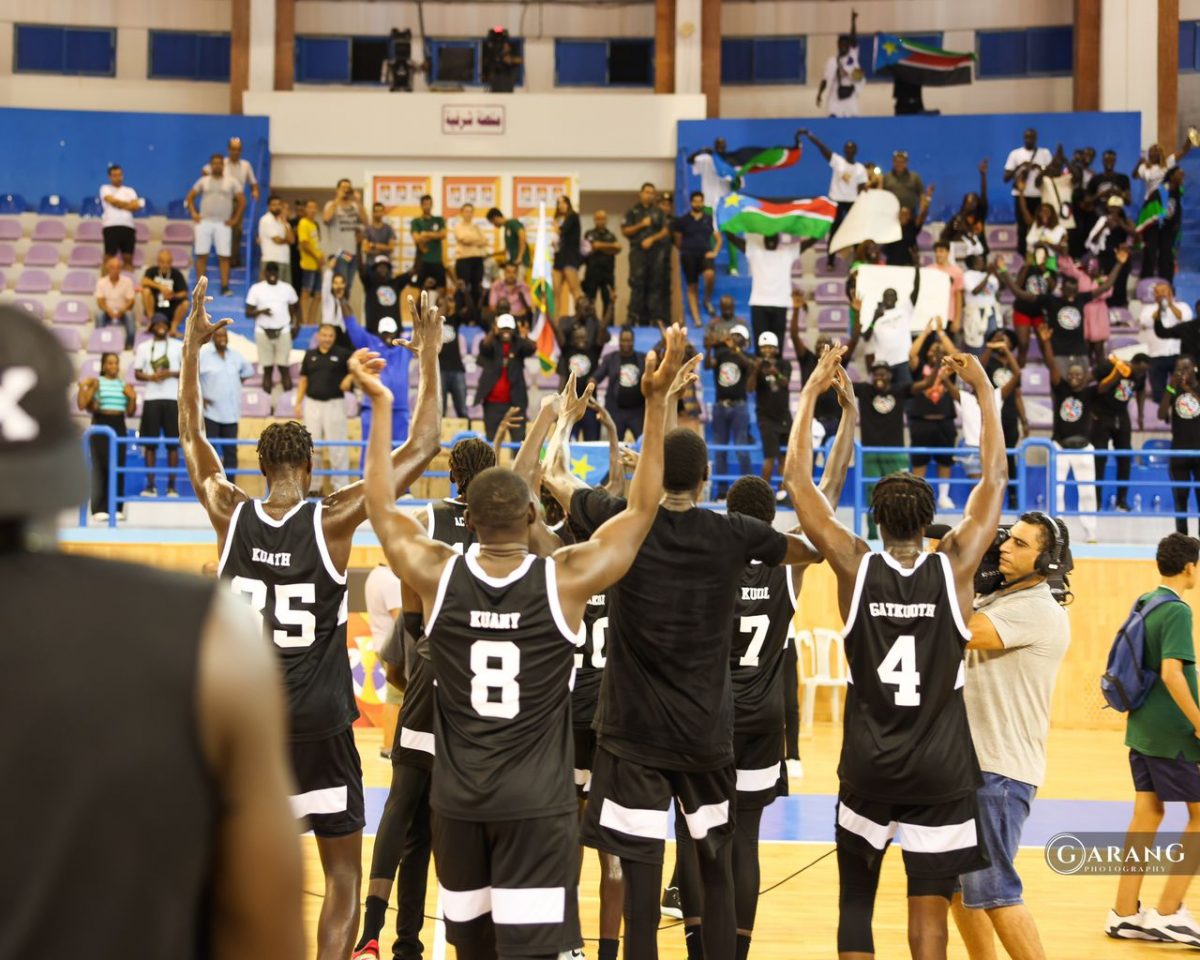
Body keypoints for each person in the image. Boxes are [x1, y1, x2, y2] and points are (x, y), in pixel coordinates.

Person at [361, 324, 686, 960]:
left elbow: (379, 505)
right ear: (534, 518)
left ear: (467, 522)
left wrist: (380, 404)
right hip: (537, 806)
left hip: (458, 803)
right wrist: (653, 403)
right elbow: (643, 510)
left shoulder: (435, 572)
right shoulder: (565, 580)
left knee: (471, 950)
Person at [0, 306, 304, 959]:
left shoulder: (224, 552)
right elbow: (267, 937)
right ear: (64, 469)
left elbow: (193, 435)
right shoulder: (212, 635)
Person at [180, 279, 447, 960]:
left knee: (228, 867)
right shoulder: (331, 521)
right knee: (341, 876)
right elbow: (422, 447)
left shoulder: (228, 510)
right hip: (322, 722)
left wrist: (189, 347)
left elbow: (192, 436)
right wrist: (429, 351)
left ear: (264, 466)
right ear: (304, 464)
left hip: (247, 724)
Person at [544, 353, 823, 960]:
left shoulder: (621, 524)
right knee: (715, 869)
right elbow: (810, 550)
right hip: (705, 736)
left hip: (633, 739)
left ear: (650, 473)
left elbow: (553, 479)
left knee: (642, 882)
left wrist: (561, 423)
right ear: (705, 481)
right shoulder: (734, 534)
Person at [785, 343, 1006, 960]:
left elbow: (799, 484)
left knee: (855, 903)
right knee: (928, 913)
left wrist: (810, 395)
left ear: (876, 522)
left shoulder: (855, 566)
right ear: (931, 521)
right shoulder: (955, 568)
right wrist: (983, 389)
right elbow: (993, 479)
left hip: (869, 764)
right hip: (941, 769)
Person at [353, 437, 497, 960]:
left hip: (433, 674)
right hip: (486, 690)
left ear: (453, 475)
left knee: (404, 812)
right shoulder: (506, 524)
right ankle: (482, 936)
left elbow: (411, 611)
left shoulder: (428, 520)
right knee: (477, 819)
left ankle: (382, 934)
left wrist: (416, 656)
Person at [721, 415, 855, 959]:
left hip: (709, 718)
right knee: (746, 842)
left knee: (702, 837)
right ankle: (739, 950)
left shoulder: (709, 559)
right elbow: (827, 495)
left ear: (729, 517)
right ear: (769, 521)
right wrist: (846, 418)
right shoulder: (788, 565)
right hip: (761, 720)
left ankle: (699, 943)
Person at [950, 514, 1071, 960]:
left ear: (1048, 559)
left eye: (1019, 544)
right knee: (959, 889)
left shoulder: (1036, 609)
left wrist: (955, 566)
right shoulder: (999, 598)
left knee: (996, 889)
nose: (1004, 547)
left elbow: (960, 632)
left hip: (999, 773)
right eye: (1006, 538)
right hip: (971, 767)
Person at [1107, 533, 1200, 945]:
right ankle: (1168, 913)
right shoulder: (1178, 610)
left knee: (1148, 813)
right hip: (1172, 735)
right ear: (1190, 567)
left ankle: (1124, 913)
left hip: (1142, 730)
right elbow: (1171, 673)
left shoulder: (1146, 601)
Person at [1001, 249, 1127, 375]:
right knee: (1059, 387)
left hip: (1079, 352)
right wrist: (1004, 271)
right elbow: (1019, 293)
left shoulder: (1081, 299)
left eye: (1074, 292)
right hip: (1059, 354)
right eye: (1068, 291)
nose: (1071, 296)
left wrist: (1119, 264)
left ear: (1077, 290)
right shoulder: (1051, 301)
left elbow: (1106, 286)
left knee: (1080, 386)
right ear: (1061, 289)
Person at [1037, 326, 1099, 542]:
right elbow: (1052, 364)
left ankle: (1090, 531)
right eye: (1071, 374)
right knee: (1056, 492)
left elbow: (1108, 377)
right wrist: (1046, 342)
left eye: (1078, 375)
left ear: (1084, 377)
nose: (1073, 378)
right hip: (1060, 447)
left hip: (1084, 448)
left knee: (1088, 492)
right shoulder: (1060, 388)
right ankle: (1056, 533)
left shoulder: (1090, 392)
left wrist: (1118, 366)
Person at [908, 319, 960, 510]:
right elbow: (912, 353)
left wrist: (941, 333)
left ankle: (944, 496)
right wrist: (925, 333)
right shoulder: (919, 367)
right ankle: (917, 495)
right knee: (919, 461)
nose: (935, 353)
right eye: (932, 350)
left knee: (945, 460)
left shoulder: (949, 370)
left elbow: (956, 354)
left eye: (939, 351)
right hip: (921, 421)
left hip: (945, 421)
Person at [854, 362, 910, 540]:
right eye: (876, 374)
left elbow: (922, 386)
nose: (879, 377)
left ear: (890, 376)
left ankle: (899, 533)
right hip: (869, 452)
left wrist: (938, 372)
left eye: (883, 374)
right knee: (872, 493)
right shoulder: (864, 390)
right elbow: (841, 383)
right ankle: (872, 534)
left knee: (898, 492)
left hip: (895, 451)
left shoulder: (899, 390)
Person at [78, 351, 136, 521]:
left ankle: (116, 508)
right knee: (100, 466)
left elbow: (130, 413)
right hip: (101, 423)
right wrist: (86, 387)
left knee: (118, 465)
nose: (113, 366)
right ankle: (99, 509)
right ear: (103, 366)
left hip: (119, 424)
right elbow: (82, 405)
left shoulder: (123, 384)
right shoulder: (98, 383)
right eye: (109, 363)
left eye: (116, 363)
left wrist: (132, 398)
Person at [297, 323, 353, 495]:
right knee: (312, 447)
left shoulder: (343, 354)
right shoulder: (310, 355)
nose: (327, 338)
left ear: (334, 337)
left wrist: (349, 377)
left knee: (338, 447)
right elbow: (304, 380)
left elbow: (357, 366)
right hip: (312, 403)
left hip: (334, 404)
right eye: (324, 335)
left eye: (330, 335)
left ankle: (340, 487)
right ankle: (314, 487)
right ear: (318, 336)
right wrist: (298, 403)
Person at [345, 311, 413, 448]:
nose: (388, 336)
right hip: (372, 407)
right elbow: (352, 326)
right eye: (385, 333)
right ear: (379, 333)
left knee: (399, 450)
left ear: (396, 333)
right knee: (370, 449)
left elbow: (422, 330)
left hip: (399, 409)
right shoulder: (369, 343)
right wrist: (341, 300)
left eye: (391, 333)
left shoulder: (405, 347)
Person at [849, 262, 921, 389]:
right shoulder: (875, 315)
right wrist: (875, 318)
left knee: (907, 394)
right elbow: (865, 337)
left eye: (892, 295)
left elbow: (915, 291)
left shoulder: (904, 310)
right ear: (882, 298)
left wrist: (916, 268)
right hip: (883, 364)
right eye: (886, 295)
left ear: (897, 299)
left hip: (903, 360)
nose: (889, 297)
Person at [706, 323, 758, 498]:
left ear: (744, 341)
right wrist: (707, 349)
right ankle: (721, 492)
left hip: (739, 407)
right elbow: (707, 365)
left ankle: (749, 491)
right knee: (720, 450)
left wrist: (736, 350)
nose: (734, 338)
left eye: (738, 337)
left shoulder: (746, 357)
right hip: (720, 406)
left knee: (741, 449)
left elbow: (751, 367)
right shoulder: (721, 355)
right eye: (733, 335)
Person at [134, 314, 183, 498]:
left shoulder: (178, 346)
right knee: (150, 445)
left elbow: (187, 370)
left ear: (168, 326)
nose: (161, 326)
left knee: (173, 445)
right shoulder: (143, 347)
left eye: (164, 323)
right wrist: (151, 377)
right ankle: (150, 486)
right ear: (152, 327)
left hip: (172, 399)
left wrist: (170, 373)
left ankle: (172, 487)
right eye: (157, 324)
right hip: (151, 399)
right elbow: (138, 373)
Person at [802, 130, 868, 268]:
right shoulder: (838, 161)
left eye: (852, 149)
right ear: (844, 150)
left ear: (855, 151)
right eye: (847, 148)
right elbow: (822, 148)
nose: (849, 151)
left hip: (852, 202)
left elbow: (862, 187)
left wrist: (863, 201)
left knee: (854, 231)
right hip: (836, 201)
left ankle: (857, 260)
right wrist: (811, 136)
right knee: (834, 231)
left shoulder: (860, 168)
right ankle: (830, 261)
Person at [1092, 353, 1148, 512]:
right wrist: (1116, 374)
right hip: (1102, 414)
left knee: (1125, 456)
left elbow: (1142, 391)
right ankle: (1097, 500)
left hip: (1122, 415)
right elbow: (1098, 388)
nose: (1140, 374)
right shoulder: (1112, 367)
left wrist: (1141, 414)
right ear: (1133, 363)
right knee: (1099, 458)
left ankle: (1121, 500)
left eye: (1144, 372)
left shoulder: (1141, 375)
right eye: (1139, 370)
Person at [198, 325, 254, 477]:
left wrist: (237, 381)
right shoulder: (204, 356)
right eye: (219, 336)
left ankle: (231, 486)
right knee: (211, 451)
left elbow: (249, 370)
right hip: (211, 413)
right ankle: (214, 483)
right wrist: (201, 397)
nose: (222, 339)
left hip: (231, 412)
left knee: (231, 450)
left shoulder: (235, 355)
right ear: (212, 338)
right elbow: (192, 378)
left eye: (224, 336)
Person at [727, 232, 801, 346]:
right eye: (768, 237)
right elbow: (732, 238)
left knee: (777, 345)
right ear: (764, 239)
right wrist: (723, 225)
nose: (771, 240)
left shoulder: (788, 253)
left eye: (773, 237)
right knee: (760, 345)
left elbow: (811, 241)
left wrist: (824, 225)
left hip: (781, 304)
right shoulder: (755, 252)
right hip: (759, 303)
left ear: (778, 240)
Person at [185, 154, 244, 296]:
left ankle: (225, 286)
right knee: (201, 255)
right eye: (214, 163)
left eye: (219, 163)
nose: (217, 166)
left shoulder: (232, 182)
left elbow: (242, 201)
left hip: (223, 223)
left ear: (223, 165)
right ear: (210, 166)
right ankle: (200, 289)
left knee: (224, 256)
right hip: (204, 222)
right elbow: (190, 197)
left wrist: (235, 219)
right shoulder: (203, 181)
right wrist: (193, 213)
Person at [1134, 140, 1192, 280]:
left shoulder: (1167, 164)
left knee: (1166, 252)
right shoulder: (1144, 167)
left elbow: (1183, 151)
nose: (1153, 152)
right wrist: (1139, 163)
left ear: (1161, 152)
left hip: (1168, 203)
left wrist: (1189, 140)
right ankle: (1146, 282)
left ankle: (1166, 283)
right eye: (1151, 151)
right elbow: (1135, 175)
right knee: (1151, 251)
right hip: (1152, 206)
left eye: (1156, 150)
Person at [363, 561, 403, 758]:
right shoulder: (391, 581)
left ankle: (389, 745)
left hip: (381, 643)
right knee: (396, 698)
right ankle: (389, 746)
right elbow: (400, 620)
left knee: (394, 697)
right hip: (393, 647)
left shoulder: (375, 574)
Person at [477, 313, 536, 441]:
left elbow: (531, 349)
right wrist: (493, 332)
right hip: (492, 404)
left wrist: (524, 336)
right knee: (491, 440)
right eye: (503, 328)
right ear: (498, 329)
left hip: (515, 403)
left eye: (508, 328)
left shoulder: (518, 344)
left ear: (513, 329)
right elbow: (484, 347)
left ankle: (516, 462)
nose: (506, 332)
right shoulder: (491, 343)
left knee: (519, 440)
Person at [204, 137, 259, 268]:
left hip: (238, 200)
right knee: (220, 229)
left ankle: (233, 259)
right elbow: (205, 171)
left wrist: (255, 191)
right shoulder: (221, 162)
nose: (236, 152)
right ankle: (222, 258)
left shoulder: (246, 165)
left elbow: (254, 183)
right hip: (223, 199)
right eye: (233, 149)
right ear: (229, 150)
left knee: (237, 230)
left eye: (238, 149)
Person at [245, 261, 299, 395]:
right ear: (265, 273)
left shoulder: (287, 288)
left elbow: (296, 308)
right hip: (263, 330)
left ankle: (288, 407)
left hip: (283, 330)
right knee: (267, 370)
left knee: (284, 368)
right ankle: (266, 408)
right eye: (269, 272)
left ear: (278, 273)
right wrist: (261, 312)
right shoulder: (256, 288)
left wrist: (297, 324)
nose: (272, 275)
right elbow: (248, 312)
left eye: (275, 272)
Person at [1161, 357, 1200, 536]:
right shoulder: (1172, 389)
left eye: (1186, 368)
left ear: (1194, 369)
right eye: (1179, 369)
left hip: (1198, 451)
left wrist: (1187, 389)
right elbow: (1161, 414)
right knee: (1180, 499)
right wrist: (1170, 387)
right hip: (1179, 452)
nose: (1183, 372)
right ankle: (1183, 540)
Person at [623, 182, 671, 327]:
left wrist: (652, 239)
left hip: (656, 253)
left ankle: (655, 318)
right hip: (638, 252)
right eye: (647, 192)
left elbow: (665, 231)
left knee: (654, 285)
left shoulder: (658, 212)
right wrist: (641, 225)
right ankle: (632, 317)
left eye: (652, 193)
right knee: (637, 284)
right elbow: (625, 231)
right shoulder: (632, 212)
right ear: (641, 193)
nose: (649, 195)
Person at [673, 191, 720, 327]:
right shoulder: (683, 221)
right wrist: (684, 249)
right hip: (688, 256)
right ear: (691, 202)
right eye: (695, 201)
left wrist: (715, 251)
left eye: (700, 201)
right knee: (692, 286)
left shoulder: (709, 219)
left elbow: (718, 239)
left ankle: (706, 299)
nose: (697, 204)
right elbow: (677, 239)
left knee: (710, 275)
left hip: (705, 255)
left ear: (703, 202)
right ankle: (697, 319)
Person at [1003, 129, 1052, 259]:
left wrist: (1040, 168)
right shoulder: (1015, 154)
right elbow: (1006, 177)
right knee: (1022, 228)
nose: (1029, 140)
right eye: (1027, 137)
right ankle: (1022, 257)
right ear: (1023, 138)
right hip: (1021, 194)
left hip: (1039, 195)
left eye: (1032, 137)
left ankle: (1040, 255)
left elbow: (1052, 171)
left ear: (1036, 138)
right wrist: (1021, 167)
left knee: (1040, 226)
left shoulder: (1044, 153)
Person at [1058, 256, 1114, 366]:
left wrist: (1098, 279)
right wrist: (1064, 254)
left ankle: (1100, 375)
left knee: (1099, 349)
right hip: (1084, 312)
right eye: (1089, 265)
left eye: (1095, 266)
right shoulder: (1080, 276)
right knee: (1085, 348)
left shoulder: (1104, 279)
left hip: (1099, 314)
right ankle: (1085, 374)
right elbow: (1067, 268)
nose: (1092, 268)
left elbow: (1107, 292)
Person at [754, 331, 791, 485]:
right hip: (766, 418)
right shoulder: (755, 364)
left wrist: (776, 373)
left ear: (776, 349)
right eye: (764, 347)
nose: (767, 351)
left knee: (786, 457)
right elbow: (750, 388)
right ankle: (763, 493)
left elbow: (785, 383)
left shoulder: (784, 364)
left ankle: (783, 492)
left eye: (770, 347)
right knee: (769, 457)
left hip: (784, 417)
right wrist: (756, 370)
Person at [1144, 281, 1192, 402]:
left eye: (1163, 290)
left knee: (1182, 390)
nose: (1161, 294)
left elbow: (1185, 319)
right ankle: (1161, 418)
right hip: (1156, 356)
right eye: (1158, 291)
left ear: (1170, 291)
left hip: (1178, 355)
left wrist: (1170, 304)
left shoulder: (1183, 306)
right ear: (1154, 294)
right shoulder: (1148, 309)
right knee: (1158, 393)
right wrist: (1161, 307)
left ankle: (1180, 416)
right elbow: (1147, 322)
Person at [596, 327, 646, 441]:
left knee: (643, 444)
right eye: (623, 340)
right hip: (616, 411)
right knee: (615, 446)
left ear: (633, 341)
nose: (626, 343)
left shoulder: (642, 358)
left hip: (637, 412)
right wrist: (591, 383)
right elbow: (597, 376)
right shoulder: (610, 358)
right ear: (619, 341)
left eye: (629, 340)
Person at [324, 178, 367, 294]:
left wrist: (358, 201)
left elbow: (366, 222)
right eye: (343, 188)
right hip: (339, 252)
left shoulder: (355, 205)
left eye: (348, 188)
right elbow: (326, 219)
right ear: (337, 190)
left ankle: (344, 311)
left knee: (348, 286)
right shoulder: (331, 204)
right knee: (340, 284)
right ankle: (337, 311)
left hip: (352, 253)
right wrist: (338, 199)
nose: (346, 190)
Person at [817, 11, 863, 117]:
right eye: (841, 44)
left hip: (850, 98)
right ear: (837, 45)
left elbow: (854, 38)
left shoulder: (852, 57)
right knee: (833, 120)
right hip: (835, 97)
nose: (843, 46)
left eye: (845, 45)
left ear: (848, 46)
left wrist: (853, 21)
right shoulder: (832, 61)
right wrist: (819, 93)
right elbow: (825, 79)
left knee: (853, 121)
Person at [98, 163, 140, 270]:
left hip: (128, 227)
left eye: (120, 175)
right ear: (110, 177)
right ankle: (103, 285)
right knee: (109, 257)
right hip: (111, 226)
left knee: (128, 258)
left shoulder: (130, 190)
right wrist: (128, 205)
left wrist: (120, 204)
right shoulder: (105, 188)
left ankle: (129, 284)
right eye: (115, 175)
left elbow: (136, 206)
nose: (118, 178)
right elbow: (111, 201)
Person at [583, 210, 621, 323]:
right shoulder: (589, 234)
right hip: (591, 272)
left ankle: (608, 327)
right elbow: (588, 249)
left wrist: (599, 246)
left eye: (603, 218)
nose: (600, 221)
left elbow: (618, 248)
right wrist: (609, 248)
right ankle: (589, 325)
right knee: (589, 301)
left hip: (607, 274)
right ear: (594, 220)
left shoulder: (611, 235)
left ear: (606, 220)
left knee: (609, 301)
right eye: (598, 218)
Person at [452, 202, 487, 322]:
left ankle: (476, 318)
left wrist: (473, 240)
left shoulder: (476, 227)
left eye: (470, 211)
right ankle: (461, 317)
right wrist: (477, 241)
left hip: (477, 260)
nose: (468, 214)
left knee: (477, 289)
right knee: (463, 288)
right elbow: (463, 239)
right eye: (466, 211)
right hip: (463, 261)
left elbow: (485, 241)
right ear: (461, 213)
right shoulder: (458, 226)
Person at [141, 248, 189, 337]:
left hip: (171, 306)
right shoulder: (152, 271)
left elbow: (184, 292)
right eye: (162, 262)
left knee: (185, 302)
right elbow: (144, 281)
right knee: (146, 291)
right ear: (158, 262)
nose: (165, 265)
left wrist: (173, 295)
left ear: (171, 262)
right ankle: (152, 322)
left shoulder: (177, 274)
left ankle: (173, 329)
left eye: (168, 262)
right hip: (155, 306)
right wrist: (160, 287)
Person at [961, 255, 1001, 354]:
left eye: (983, 259)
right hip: (975, 314)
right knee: (975, 346)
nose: (982, 262)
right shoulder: (967, 275)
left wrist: (995, 272)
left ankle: (990, 367)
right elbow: (975, 291)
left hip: (991, 313)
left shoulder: (990, 275)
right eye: (979, 260)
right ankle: (976, 368)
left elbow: (1003, 287)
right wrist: (988, 275)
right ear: (972, 262)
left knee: (993, 342)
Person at [553, 195, 585, 319]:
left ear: (568, 204)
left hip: (570, 257)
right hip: (559, 258)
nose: (561, 205)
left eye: (563, 202)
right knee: (556, 291)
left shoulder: (573, 216)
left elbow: (563, 231)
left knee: (575, 289)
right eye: (559, 203)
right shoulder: (557, 218)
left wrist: (556, 228)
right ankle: (555, 320)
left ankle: (583, 316)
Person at [94, 255, 136, 349]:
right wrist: (108, 310)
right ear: (108, 268)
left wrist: (123, 310)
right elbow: (100, 301)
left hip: (123, 311)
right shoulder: (101, 282)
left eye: (118, 267)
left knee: (130, 315)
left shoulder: (127, 281)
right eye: (112, 267)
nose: (115, 270)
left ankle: (129, 345)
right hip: (107, 311)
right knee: (99, 315)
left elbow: (131, 300)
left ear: (120, 269)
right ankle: (100, 343)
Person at [884, 186, 932, 268]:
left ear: (910, 216)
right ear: (898, 215)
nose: (904, 216)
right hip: (892, 264)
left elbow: (923, 214)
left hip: (909, 263)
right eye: (902, 214)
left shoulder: (912, 227)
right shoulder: (891, 227)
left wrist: (927, 198)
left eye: (906, 214)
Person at [360, 253, 406, 338]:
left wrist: (419, 251)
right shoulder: (370, 284)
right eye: (380, 267)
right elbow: (361, 270)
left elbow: (413, 271)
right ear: (374, 270)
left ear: (389, 269)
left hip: (395, 334)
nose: (383, 269)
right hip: (373, 333)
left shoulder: (395, 283)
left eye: (385, 267)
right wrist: (359, 247)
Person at [410, 193, 447, 289]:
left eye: (429, 204)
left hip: (437, 261)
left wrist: (425, 234)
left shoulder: (439, 220)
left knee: (440, 289)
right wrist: (435, 235)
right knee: (421, 290)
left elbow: (443, 234)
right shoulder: (416, 221)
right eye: (425, 204)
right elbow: (417, 238)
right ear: (421, 205)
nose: (427, 206)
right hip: (422, 260)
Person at [298, 198, 325, 326]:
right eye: (309, 207)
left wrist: (320, 258)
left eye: (314, 207)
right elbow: (304, 244)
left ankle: (311, 321)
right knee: (306, 293)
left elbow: (316, 244)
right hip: (308, 264)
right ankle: (304, 321)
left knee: (318, 295)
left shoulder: (314, 224)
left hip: (317, 264)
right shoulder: (303, 223)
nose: (312, 210)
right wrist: (316, 257)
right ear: (305, 209)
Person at [259, 193, 296, 284]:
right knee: (269, 291)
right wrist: (286, 240)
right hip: (271, 260)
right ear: (269, 207)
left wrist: (285, 223)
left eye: (279, 204)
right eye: (274, 205)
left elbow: (292, 240)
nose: (277, 207)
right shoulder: (266, 220)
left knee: (285, 291)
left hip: (284, 260)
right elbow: (277, 240)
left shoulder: (283, 221)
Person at [931, 241, 965, 337]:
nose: (938, 254)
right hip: (931, 315)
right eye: (936, 251)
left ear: (948, 252)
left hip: (949, 316)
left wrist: (957, 320)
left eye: (941, 251)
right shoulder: (928, 270)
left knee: (948, 349)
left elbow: (958, 296)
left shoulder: (957, 272)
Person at [487, 206, 529, 274]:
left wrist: (520, 257)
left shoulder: (513, 223)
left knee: (518, 283)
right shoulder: (506, 227)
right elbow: (506, 250)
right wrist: (491, 254)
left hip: (520, 262)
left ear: (495, 218)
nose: (494, 225)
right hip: (513, 263)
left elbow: (522, 236)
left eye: (492, 222)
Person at [882, 150, 926, 216]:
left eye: (902, 162)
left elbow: (922, 194)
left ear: (906, 162)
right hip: (890, 215)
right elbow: (881, 194)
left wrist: (922, 211)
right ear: (893, 162)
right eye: (897, 161)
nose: (899, 164)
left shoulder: (914, 177)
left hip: (910, 216)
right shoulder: (886, 177)